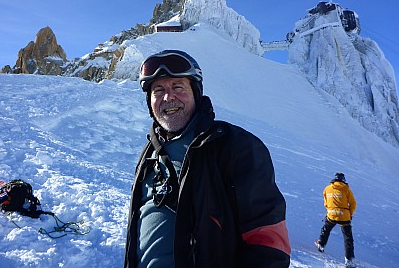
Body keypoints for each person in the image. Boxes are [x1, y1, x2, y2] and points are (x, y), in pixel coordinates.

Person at [124, 50, 291, 267]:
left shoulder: (234, 146)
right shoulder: (149, 154)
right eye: (158, 90)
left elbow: (268, 239)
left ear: (196, 92)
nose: (168, 97)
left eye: (178, 87)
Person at [315, 172, 356, 268]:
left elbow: (326, 203)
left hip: (332, 214)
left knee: (326, 229)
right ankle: (348, 260)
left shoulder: (327, 189)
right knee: (348, 238)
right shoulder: (346, 189)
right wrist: (350, 214)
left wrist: (330, 210)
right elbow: (353, 203)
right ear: (343, 179)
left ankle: (321, 244)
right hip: (344, 216)